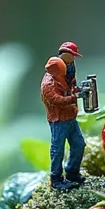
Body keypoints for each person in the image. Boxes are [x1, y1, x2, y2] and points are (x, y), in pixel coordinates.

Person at [41, 56, 86, 190]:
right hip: (58, 120)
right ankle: (56, 179)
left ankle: (72, 172)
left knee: (79, 144)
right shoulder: (48, 85)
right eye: (62, 71)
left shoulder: (64, 77)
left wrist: (78, 90)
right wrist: (75, 97)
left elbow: (69, 89)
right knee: (58, 149)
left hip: (70, 117)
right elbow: (57, 100)